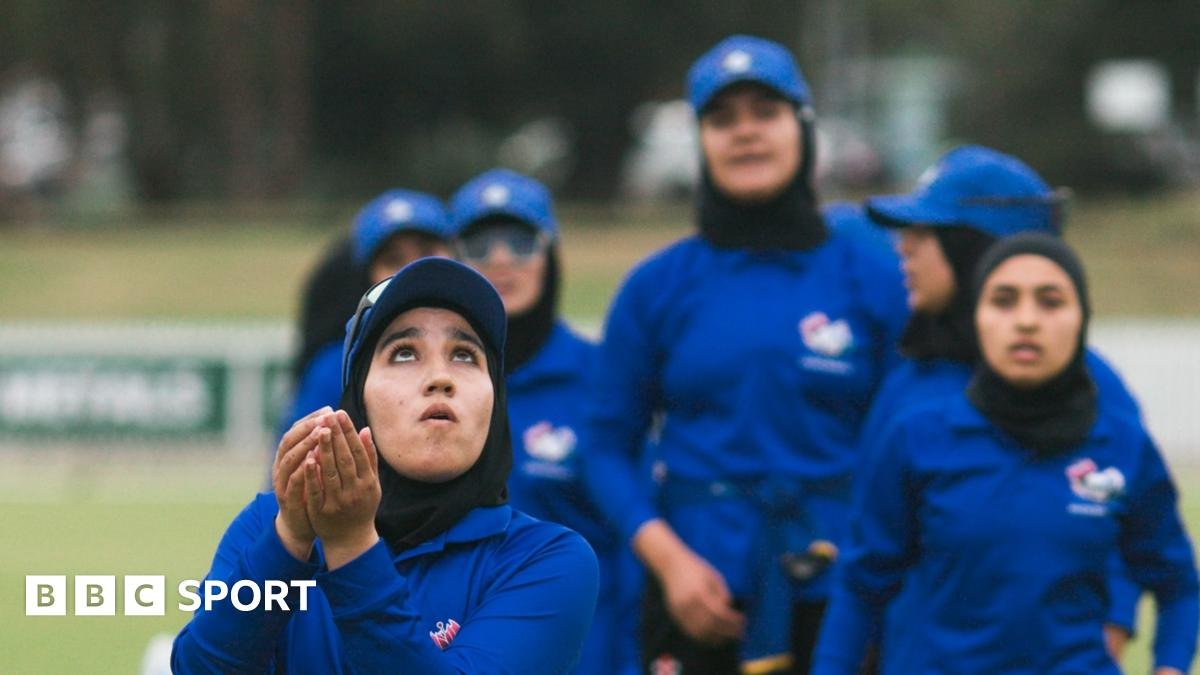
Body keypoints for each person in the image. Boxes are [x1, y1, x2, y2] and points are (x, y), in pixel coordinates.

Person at [582, 35, 909, 674]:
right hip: (699, 590)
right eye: (722, 118)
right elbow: (604, 445)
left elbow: (910, 443)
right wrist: (670, 563)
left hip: (847, 588)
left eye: (766, 112)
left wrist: (877, 573)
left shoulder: (872, 276)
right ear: (701, 141)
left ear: (803, 127)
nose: (746, 134)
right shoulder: (656, 287)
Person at [174, 257, 599, 673]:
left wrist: (351, 544)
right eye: (404, 353)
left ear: (496, 399)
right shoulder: (268, 526)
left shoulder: (547, 559)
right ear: (358, 396)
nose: (440, 376)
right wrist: (289, 538)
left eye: (466, 355)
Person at [813, 233, 1199, 674]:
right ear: (977, 318)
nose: (1027, 321)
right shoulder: (917, 438)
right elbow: (861, 585)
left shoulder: (1122, 445)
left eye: (1051, 302)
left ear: (1082, 319)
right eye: (1004, 301)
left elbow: (1178, 585)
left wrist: (1171, 665)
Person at [857, 145, 1144, 658]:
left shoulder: (1096, 388)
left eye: (925, 233)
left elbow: (1130, 521)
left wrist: (1115, 620)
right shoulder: (907, 386)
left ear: (977, 250)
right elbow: (871, 554)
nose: (903, 247)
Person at [449, 168, 641, 675]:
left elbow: (634, 547)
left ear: (550, 253)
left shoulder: (600, 378)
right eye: (480, 243)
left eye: (520, 241)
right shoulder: (419, 389)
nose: (502, 259)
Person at [280, 189, 453, 431]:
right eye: (394, 259)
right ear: (367, 277)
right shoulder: (335, 368)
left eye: (426, 252)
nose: (411, 270)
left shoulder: (488, 347)